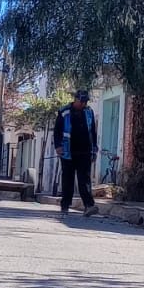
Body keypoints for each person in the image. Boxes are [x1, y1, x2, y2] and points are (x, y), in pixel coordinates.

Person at [53, 90, 98, 218]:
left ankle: (89, 205)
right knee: (68, 179)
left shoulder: (89, 112)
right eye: (81, 101)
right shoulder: (64, 112)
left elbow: (92, 132)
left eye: (85, 102)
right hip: (68, 151)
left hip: (85, 151)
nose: (83, 104)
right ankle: (65, 205)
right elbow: (57, 131)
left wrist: (94, 148)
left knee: (84, 180)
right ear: (76, 99)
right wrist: (58, 146)